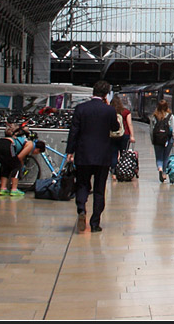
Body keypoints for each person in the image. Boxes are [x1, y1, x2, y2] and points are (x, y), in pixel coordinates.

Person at [66, 80, 120, 233]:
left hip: (83, 154)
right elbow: (115, 128)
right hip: (103, 155)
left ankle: (81, 209)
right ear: (105, 94)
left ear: (93, 92)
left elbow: (74, 131)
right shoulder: (109, 110)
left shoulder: (80, 109)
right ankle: (95, 223)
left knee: (82, 184)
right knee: (99, 189)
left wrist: (70, 151)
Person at [0, 123, 42, 197]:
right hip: (8, 144)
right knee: (17, 166)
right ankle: (14, 190)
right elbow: (19, 157)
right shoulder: (30, 144)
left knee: (6, 166)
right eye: (37, 152)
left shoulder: (21, 139)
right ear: (38, 149)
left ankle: (3, 189)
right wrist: (21, 165)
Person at [149, 99, 174, 183]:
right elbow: (173, 130)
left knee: (159, 157)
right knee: (166, 157)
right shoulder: (170, 116)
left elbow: (151, 130)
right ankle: (164, 174)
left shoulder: (154, 116)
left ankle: (160, 169)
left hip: (157, 140)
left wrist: (152, 140)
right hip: (168, 140)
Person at [109, 94, 135, 170]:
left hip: (112, 135)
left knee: (114, 153)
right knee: (124, 154)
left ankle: (113, 171)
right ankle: (123, 169)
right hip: (125, 135)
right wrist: (132, 136)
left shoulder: (110, 112)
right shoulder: (126, 112)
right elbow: (129, 124)